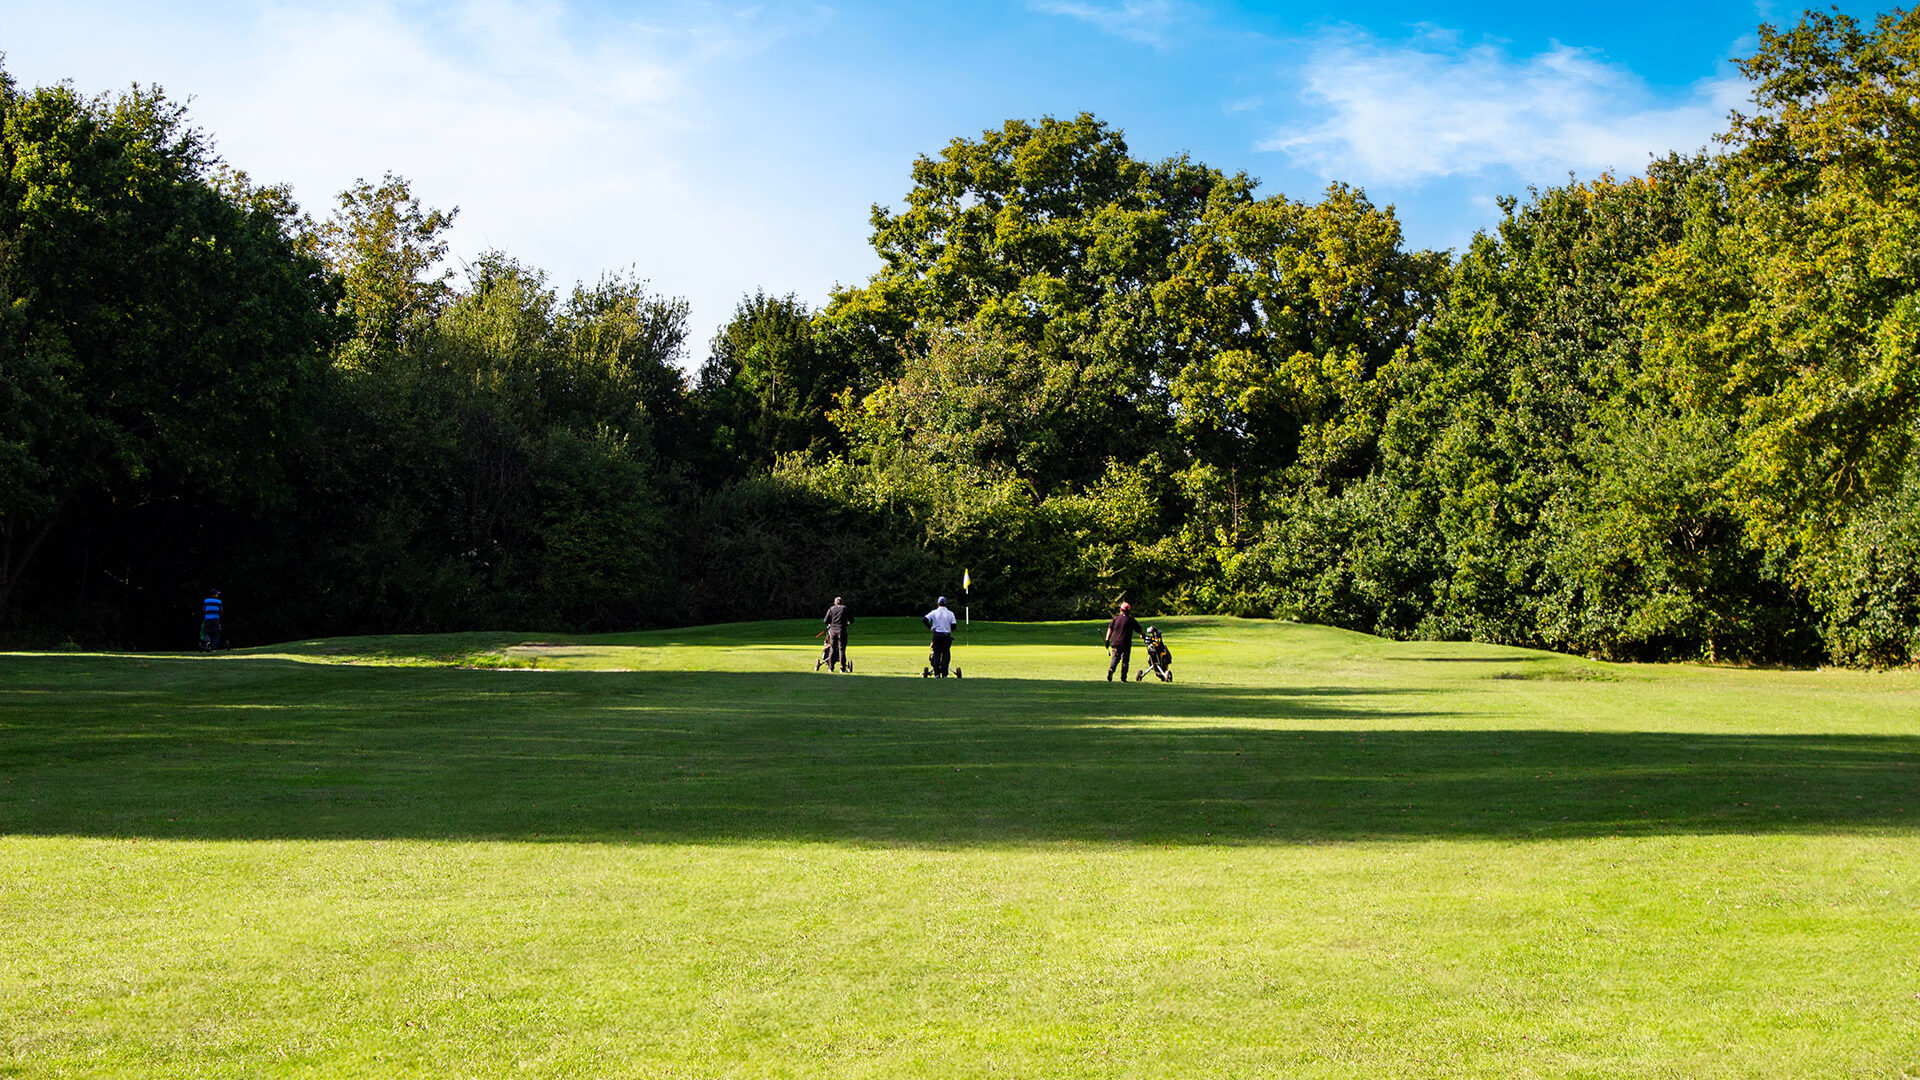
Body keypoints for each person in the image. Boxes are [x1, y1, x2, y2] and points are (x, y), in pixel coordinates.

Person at [1105, 600, 1143, 681]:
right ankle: (1123, 678)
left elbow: (1110, 629)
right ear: (1129, 611)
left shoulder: (1115, 618)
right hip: (1125, 643)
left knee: (1115, 658)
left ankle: (1111, 669)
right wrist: (1143, 635)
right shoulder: (1131, 620)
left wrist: (1107, 640)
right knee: (1125, 661)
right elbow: (1139, 629)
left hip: (1115, 642)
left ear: (1120, 610)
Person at [923, 595, 959, 678]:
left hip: (937, 635)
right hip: (946, 635)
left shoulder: (934, 612)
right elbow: (954, 626)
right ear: (946, 604)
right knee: (946, 654)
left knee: (936, 654)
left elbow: (924, 620)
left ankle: (937, 674)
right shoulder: (950, 613)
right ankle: (944, 674)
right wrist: (948, 628)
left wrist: (930, 628)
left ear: (937, 604)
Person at [819, 596, 852, 672]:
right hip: (842, 631)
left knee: (832, 649)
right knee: (842, 649)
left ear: (835, 602)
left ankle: (830, 668)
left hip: (833, 631)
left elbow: (825, 620)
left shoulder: (831, 609)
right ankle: (842, 668)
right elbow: (851, 620)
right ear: (842, 602)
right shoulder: (845, 609)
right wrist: (847, 624)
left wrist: (831, 624)